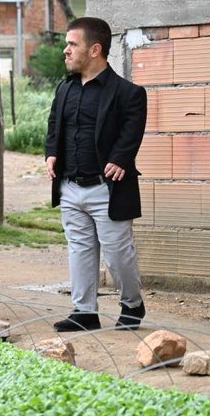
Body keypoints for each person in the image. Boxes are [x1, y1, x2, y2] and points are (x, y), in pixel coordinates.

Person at [44, 17, 147, 332]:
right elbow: (54, 125)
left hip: (107, 189)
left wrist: (121, 158)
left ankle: (132, 303)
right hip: (70, 186)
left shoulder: (128, 93)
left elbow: (131, 129)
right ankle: (85, 311)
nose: (66, 51)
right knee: (79, 249)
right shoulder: (65, 89)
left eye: (72, 44)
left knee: (118, 254)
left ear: (95, 50)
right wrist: (51, 153)